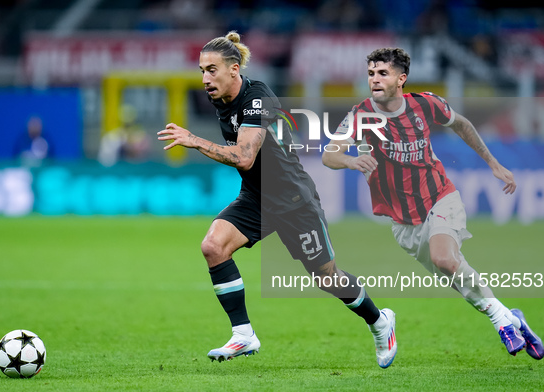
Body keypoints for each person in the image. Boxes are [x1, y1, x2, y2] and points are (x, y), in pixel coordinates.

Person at [157, 32, 397, 368]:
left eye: (212, 70)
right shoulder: (221, 101)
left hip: (293, 200)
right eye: (201, 70)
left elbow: (244, 157)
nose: (205, 79)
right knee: (213, 246)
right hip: (256, 198)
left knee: (327, 276)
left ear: (234, 69)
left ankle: (379, 321)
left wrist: (194, 140)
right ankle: (243, 334)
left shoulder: (258, 98)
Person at [322, 47, 544, 360]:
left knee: (444, 258)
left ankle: (501, 323)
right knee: (454, 274)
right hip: (403, 222)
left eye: (382, 73)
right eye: (371, 73)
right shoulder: (360, 115)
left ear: (402, 78)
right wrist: (349, 160)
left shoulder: (426, 104)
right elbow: (328, 155)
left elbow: (462, 125)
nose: (374, 79)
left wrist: (493, 163)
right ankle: (511, 317)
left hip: (440, 196)